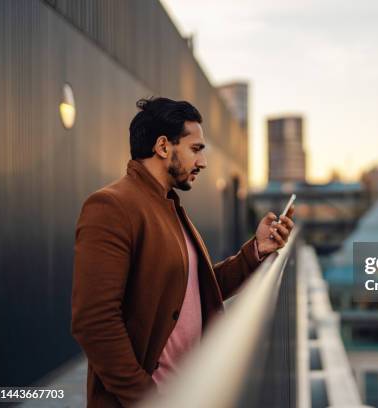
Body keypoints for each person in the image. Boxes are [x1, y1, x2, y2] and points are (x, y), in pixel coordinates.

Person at [71, 97, 294, 407]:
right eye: (196, 149)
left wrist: (256, 250)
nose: (202, 162)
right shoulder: (111, 207)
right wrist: (147, 398)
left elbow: (196, 289)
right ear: (163, 147)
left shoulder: (169, 207)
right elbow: (94, 321)